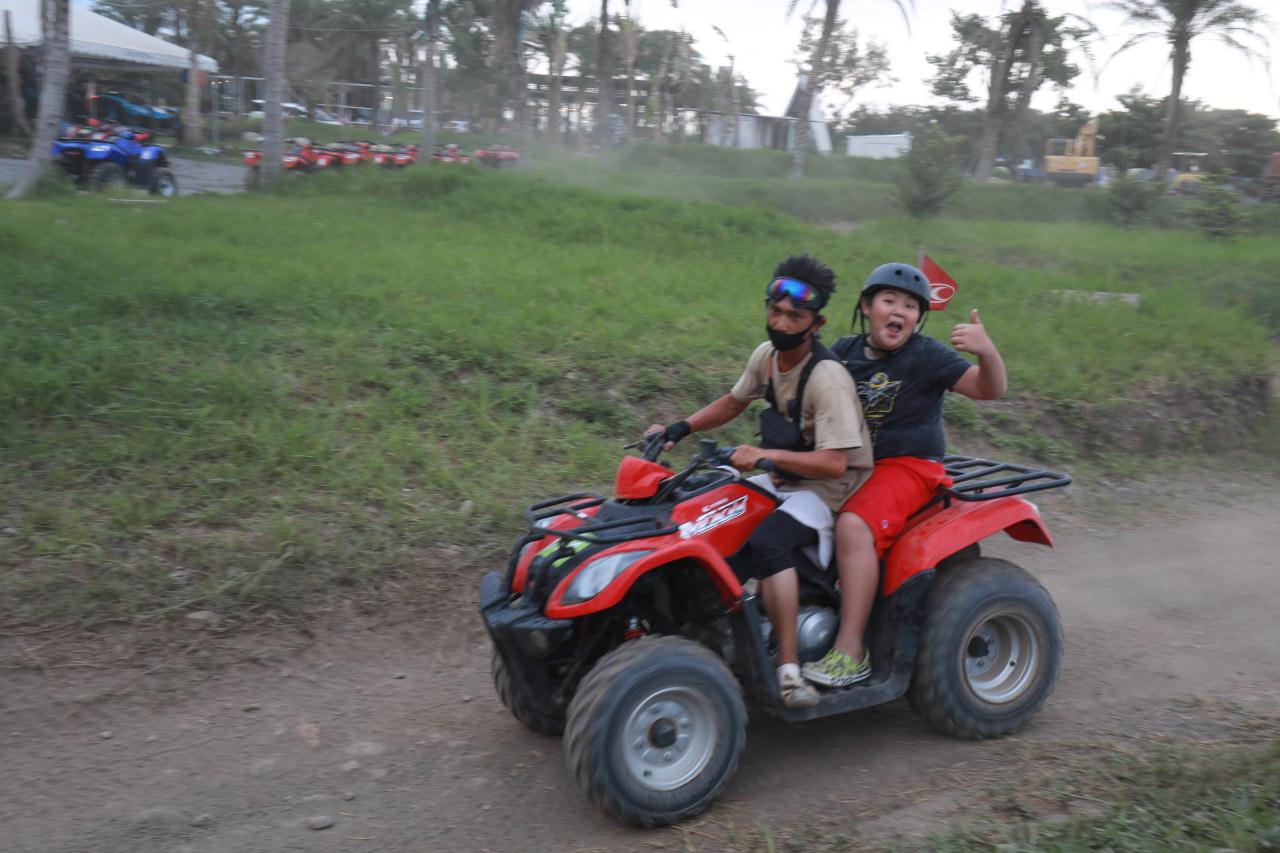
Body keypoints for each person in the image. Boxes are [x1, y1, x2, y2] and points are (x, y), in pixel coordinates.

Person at [647, 255, 873, 708]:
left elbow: (833, 464)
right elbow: (733, 403)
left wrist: (763, 455)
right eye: (776, 310)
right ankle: (710, 633)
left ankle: (788, 672)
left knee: (770, 542)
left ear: (816, 323)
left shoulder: (827, 378)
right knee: (702, 521)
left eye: (795, 316)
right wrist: (679, 428)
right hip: (784, 479)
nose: (781, 321)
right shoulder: (767, 358)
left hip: (827, 491)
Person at [802, 262, 1007, 689]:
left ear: (919, 317)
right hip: (848, 463)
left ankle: (850, 651)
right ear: (867, 306)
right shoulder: (841, 352)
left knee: (855, 527)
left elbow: (989, 390)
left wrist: (987, 353)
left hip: (908, 466)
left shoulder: (926, 355)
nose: (899, 311)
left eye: (910, 305)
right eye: (889, 300)